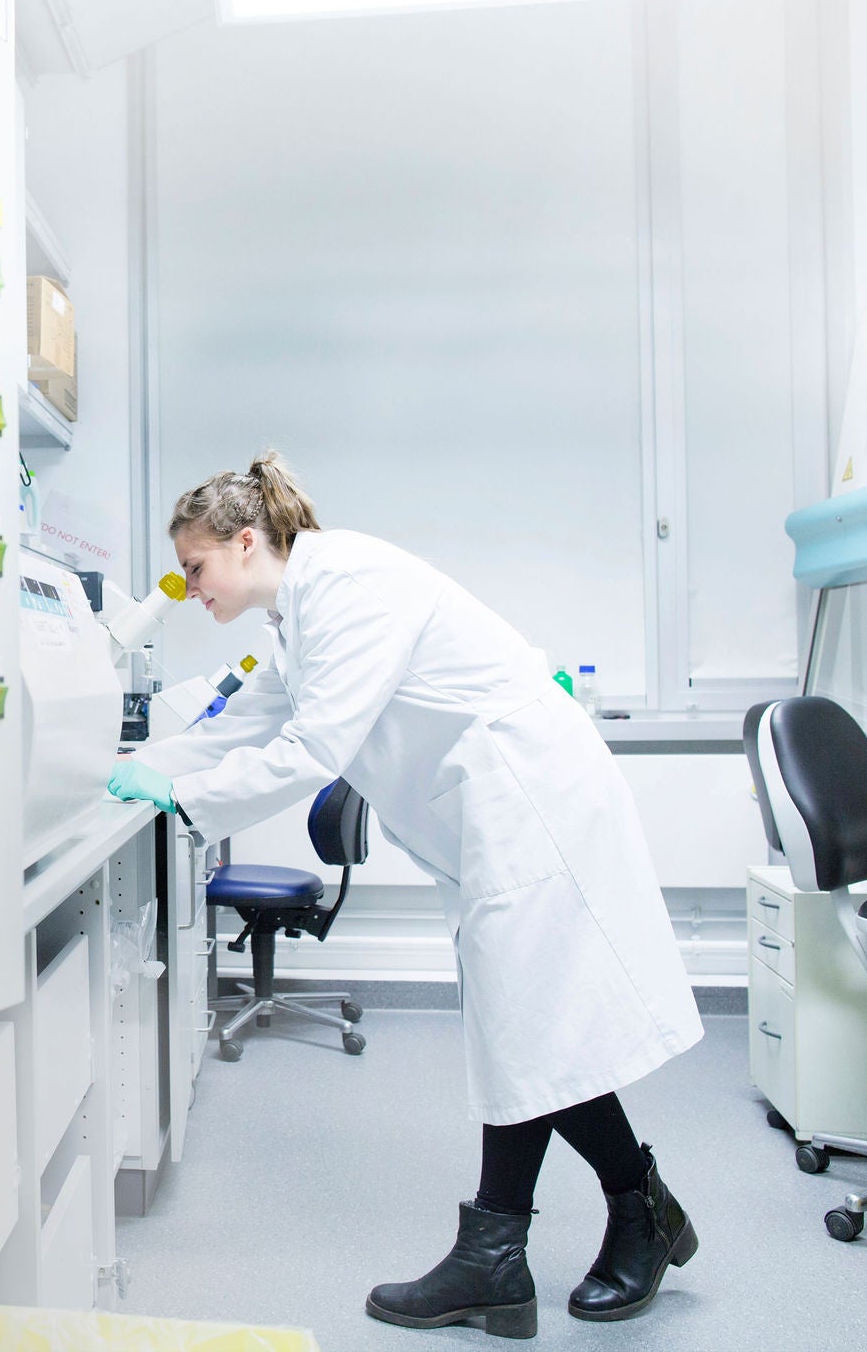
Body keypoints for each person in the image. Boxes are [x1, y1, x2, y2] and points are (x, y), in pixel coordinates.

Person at [108, 453, 703, 1339]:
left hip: (532, 799)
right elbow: (244, 724)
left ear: (242, 541)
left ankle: (514, 1250)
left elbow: (313, 747)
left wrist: (185, 798)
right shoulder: (297, 619)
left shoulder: (346, 583)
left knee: (525, 1027)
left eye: (195, 567)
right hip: (493, 816)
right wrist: (139, 767)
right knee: (529, 1030)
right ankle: (622, 1215)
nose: (190, 587)